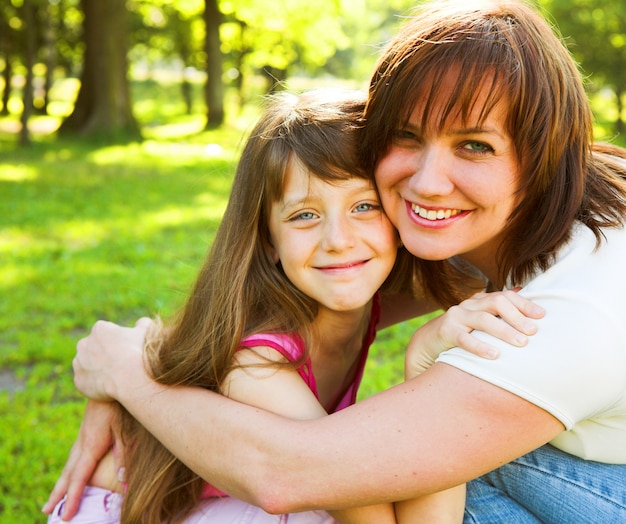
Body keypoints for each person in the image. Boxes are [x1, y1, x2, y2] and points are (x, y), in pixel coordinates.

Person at [47, 0, 626, 521]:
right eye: (405, 135)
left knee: (403, 463)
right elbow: (246, 321)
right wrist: (151, 351)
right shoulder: (499, 222)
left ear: (547, 152)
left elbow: (289, 471)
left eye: (475, 146)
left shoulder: (579, 303)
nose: (426, 182)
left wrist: (129, 376)